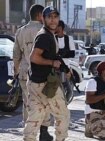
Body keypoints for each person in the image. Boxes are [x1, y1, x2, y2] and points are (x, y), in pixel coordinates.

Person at [23, 6, 70, 141]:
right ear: (42, 18)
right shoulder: (44, 35)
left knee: (36, 116)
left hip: (35, 83)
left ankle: (28, 139)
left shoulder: (48, 34)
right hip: (45, 85)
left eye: (55, 17)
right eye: (49, 17)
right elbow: (34, 57)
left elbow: (53, 55)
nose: (53, 20)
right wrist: (52, 63)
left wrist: (65, 68)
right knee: (63, 115)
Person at [13, 4, 54, 141]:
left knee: (28, 103)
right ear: (39, 15)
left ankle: (29, 133)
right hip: (43, 74)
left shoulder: (20, 31)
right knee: (44, 102)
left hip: (25, 73)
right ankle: (44, 131)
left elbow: (16, 55)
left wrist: (15, 72)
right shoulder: (46, 31)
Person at [55, 20, 75, 103]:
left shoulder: (68, 39)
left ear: (61, 28)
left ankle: (64, 105)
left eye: (57, 27)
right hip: (55, 68)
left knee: (69, 91)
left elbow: (72, 54)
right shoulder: (53, 38)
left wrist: (61, 54)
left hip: (65, 68)